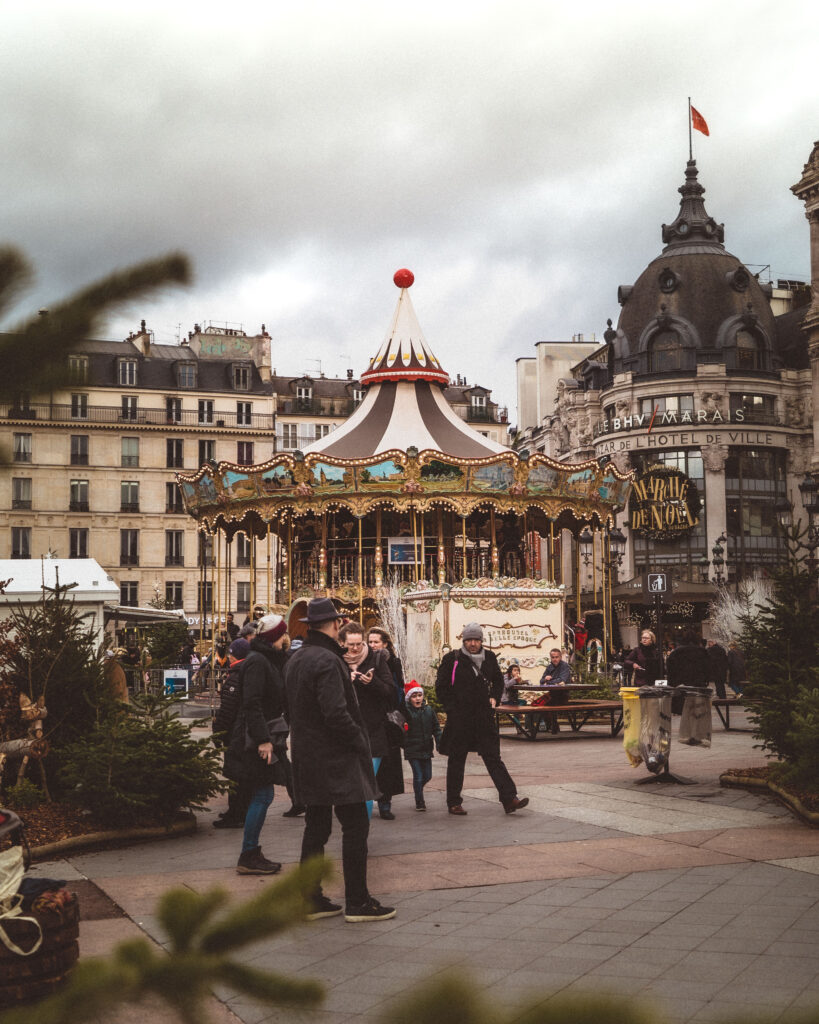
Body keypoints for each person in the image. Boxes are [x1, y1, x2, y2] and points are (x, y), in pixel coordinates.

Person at [285, 597, 396, 923]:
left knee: (316, 828)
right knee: (356, 826)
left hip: (307, 755)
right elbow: (336, 713)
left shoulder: (297, 658)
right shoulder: (328, 661)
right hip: (336, 759)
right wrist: (359, 741)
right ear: (334, 626)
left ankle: (310, 898)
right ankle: (358, 901)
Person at [435, 622, 528, 816]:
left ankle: (509, 798)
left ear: (481, 640)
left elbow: (497, 680)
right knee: (457, 759)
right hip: (460, 718)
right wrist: (451, 709)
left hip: (483, 717)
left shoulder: (490, 658)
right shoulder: (452, 659)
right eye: (469, 639)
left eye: (476, 639)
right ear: (464, 640)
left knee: (493, 757)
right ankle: (454, 802)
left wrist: (494, 696)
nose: (472, 643)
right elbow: (441, 687)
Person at [223, 613, 290, 874]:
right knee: (262, 793)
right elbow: (252, 703)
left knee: (262, 793)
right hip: (254, 739)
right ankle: (248, 853)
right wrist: (263, 740)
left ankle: (250, 851)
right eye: (283, 634)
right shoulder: (258, 662)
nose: (286, 638)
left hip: (262, 735)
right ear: (276, 637)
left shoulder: (267, 660)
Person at [339, 622, 397, 820]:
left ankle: (361, 830)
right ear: (342, 642)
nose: (355, 648)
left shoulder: (376, 659)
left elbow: (390, 691)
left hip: (373, 730)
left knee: (366, 782)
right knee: (351, 783)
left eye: (358, 644)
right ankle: (353, 825)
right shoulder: (337, 661)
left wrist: (371, 682)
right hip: (346, 731)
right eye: (350, 644)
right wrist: (347, 679)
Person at [211, 638, 254, 829]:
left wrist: (218, 732)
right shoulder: (248, 673)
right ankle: (237, 811)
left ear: (233, 655)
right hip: (243, 732)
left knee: (236, 775)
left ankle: (237, 813)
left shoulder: (235, 676)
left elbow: (227, 709)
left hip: (234, 734)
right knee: (240, 775)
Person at [367, 627, 406, 819]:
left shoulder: (392, 662)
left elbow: (398, 688)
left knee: (388, 763)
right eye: (370, 642)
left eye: (376, 642)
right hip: (370, 716)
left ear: (385, 643)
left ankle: (385, 802)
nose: (372, 645)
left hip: (388, 717)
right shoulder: (364, 660)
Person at [402, 679, 442, 811]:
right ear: (409, 698)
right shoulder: (406, 711)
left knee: (427, 775)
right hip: (412, 749)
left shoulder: (429, 710)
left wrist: (439, 741)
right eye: (414, 696)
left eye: (419, 695)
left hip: (426, 748)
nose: (418, 698)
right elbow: (400, 730)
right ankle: (420, 801)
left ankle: (417, 788)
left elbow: (436, 728)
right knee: (418, 776)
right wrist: (404, 742)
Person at [666, 629, 710, 713]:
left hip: (681, 687)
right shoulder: (702, 652)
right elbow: (708, 669)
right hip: (698, 686)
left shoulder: (676, 652)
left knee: (684, 712)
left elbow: (670, 670)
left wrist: (672, 684)